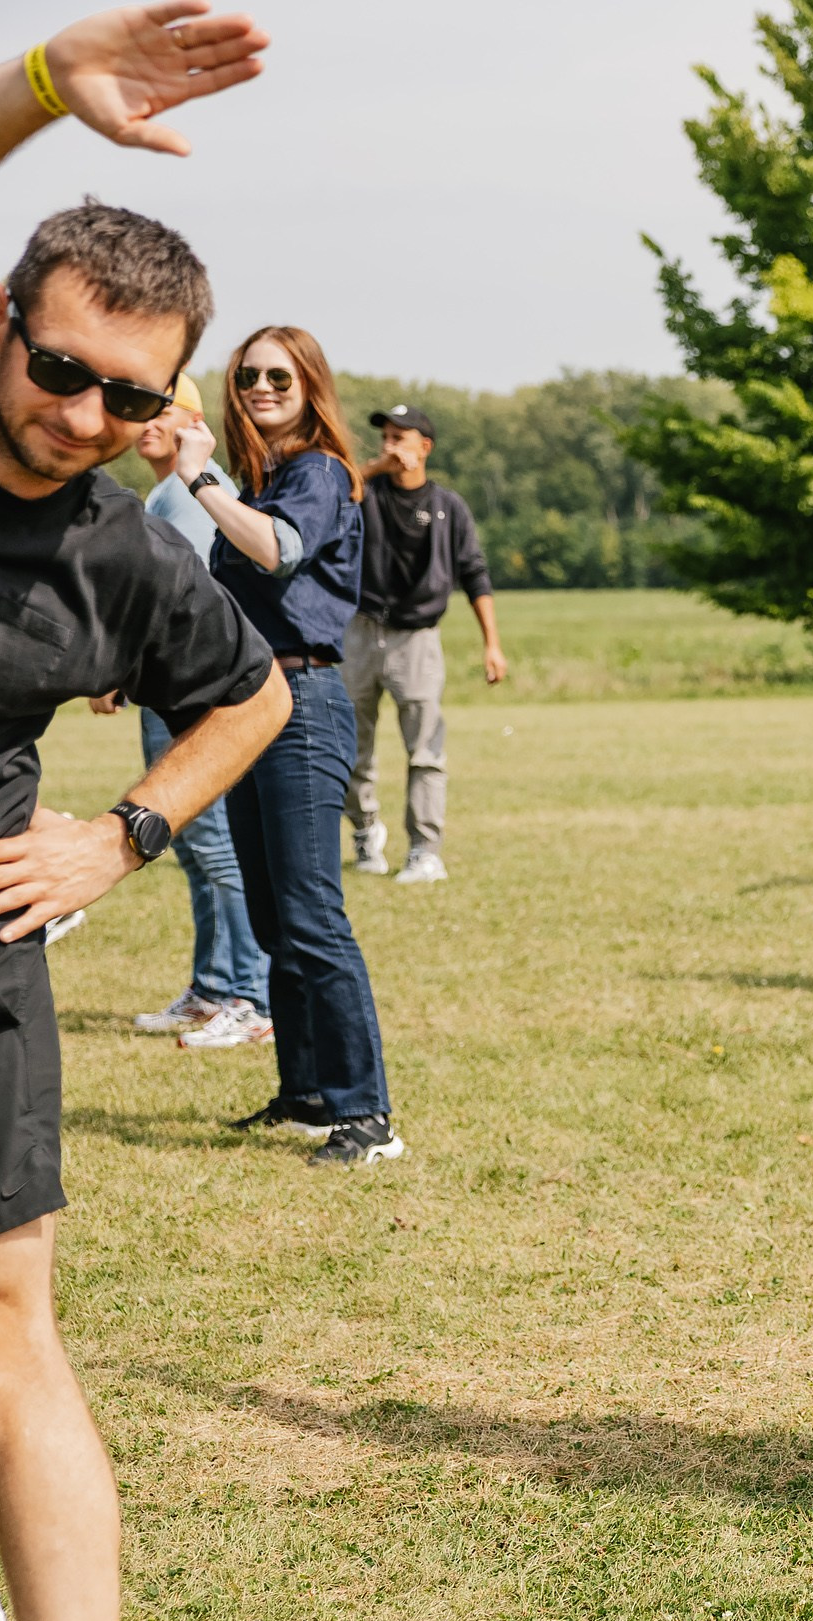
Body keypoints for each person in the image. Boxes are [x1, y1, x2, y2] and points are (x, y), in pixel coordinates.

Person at [0, 199, 284, 1621]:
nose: (88, 416)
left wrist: (125, 832)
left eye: (137, 397)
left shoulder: (123, 554)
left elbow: (254, 696)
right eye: (62, 369)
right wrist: (38, 87)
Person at [186, 327, 402, 1167]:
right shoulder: (263, 480)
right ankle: (307, 1092)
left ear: (311, 386)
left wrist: (196, 476)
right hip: (249, 702)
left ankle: (366, 1116)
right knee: (275, 913)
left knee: (312, 913)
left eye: (280, 374)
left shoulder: (316, 471)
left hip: (302, 703)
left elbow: (277, 553)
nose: (262, 386)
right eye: (248, 375)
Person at [85, 372, 272, 1049]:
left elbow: (174, 612)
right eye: (141, 413)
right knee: (193, 847)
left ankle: (249, 998)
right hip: (168, 696)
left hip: (192, 702)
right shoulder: (167, 491)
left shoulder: (191, 496)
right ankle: (213, 988)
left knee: (216, 850)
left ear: (194, 423)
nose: (145, 425)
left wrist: (120, 672)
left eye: (161, 413)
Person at [342, 401, 505, 885]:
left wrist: (491, 644)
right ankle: (366, 830)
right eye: (385, 437)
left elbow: (475, 573)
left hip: (418, 641)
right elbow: (334, 486)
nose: (390, 446)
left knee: (425, 751)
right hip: (360, 632)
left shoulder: (448, 507)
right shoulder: (362, 492)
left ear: (424, 447)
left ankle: (424, 851)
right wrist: (375, 468)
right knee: (351, 748)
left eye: (400, 438)